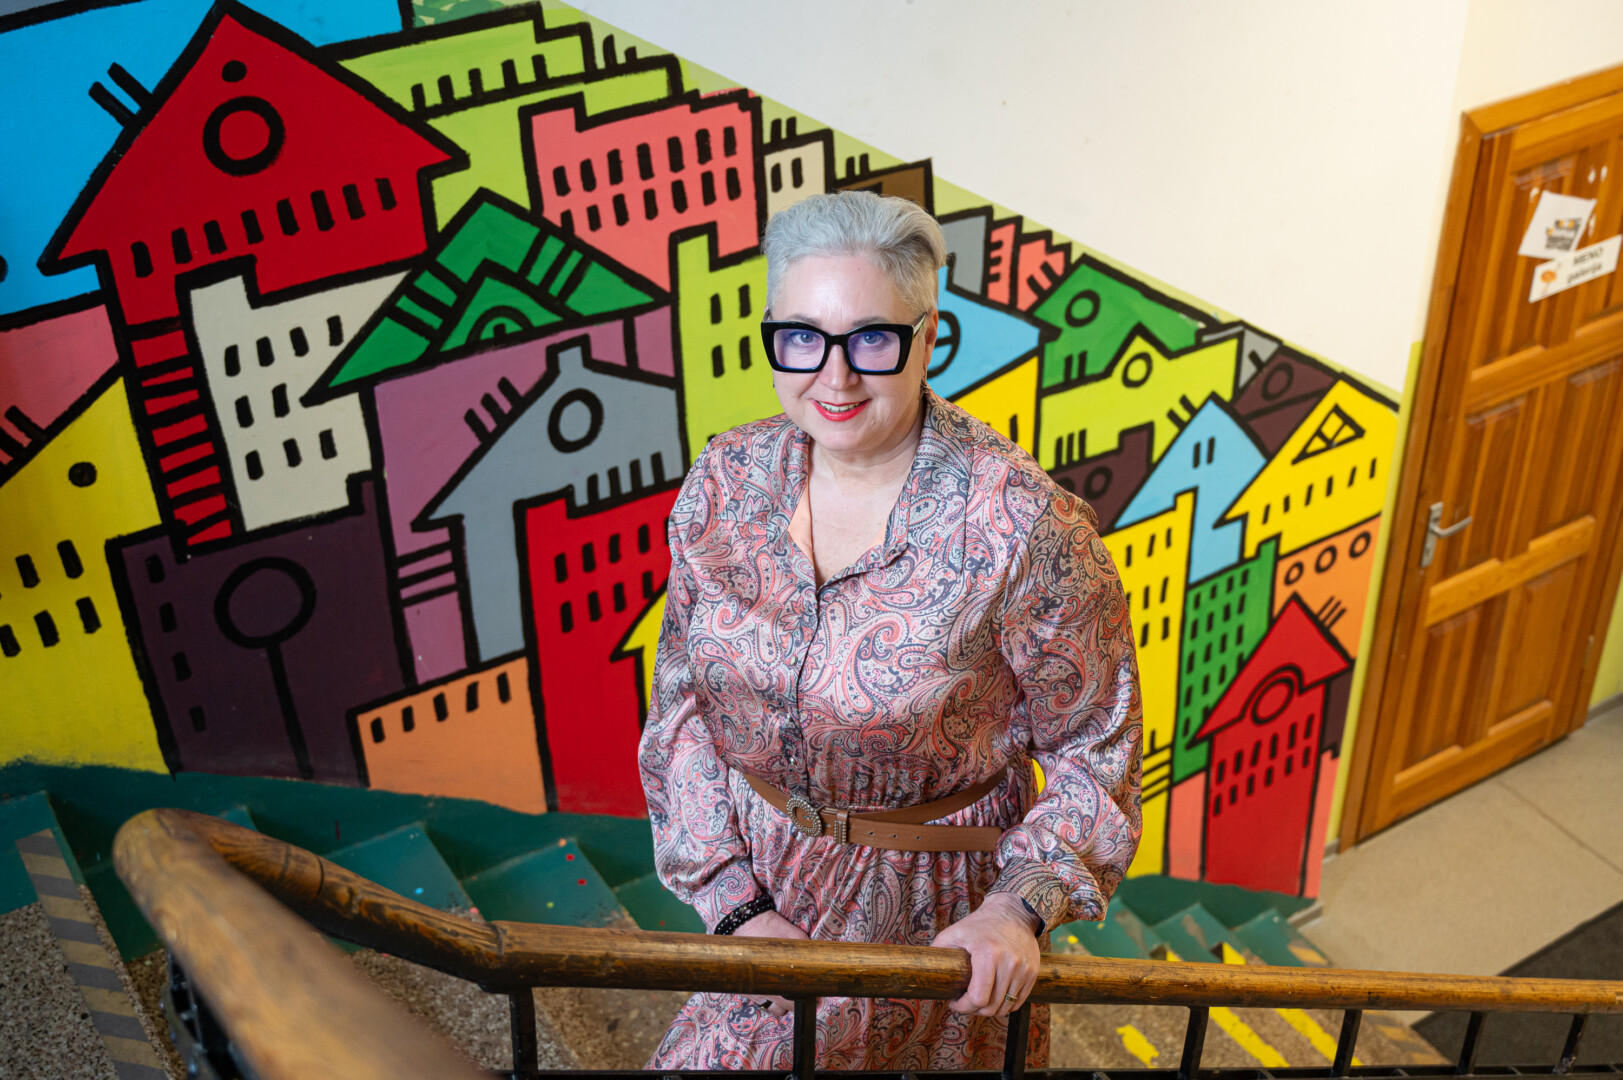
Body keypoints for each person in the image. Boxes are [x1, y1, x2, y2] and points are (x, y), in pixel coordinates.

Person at [637, 190, 1142, 1069]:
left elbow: (1095, 747)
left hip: (935, 912)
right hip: (756, 885)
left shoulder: (1022, 525)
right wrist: (732, 903)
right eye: (801, 337)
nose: (834, 378)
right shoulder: (724, 480)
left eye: (871, 338)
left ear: (927, 336)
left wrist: (1013, 910)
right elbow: (680, 700)